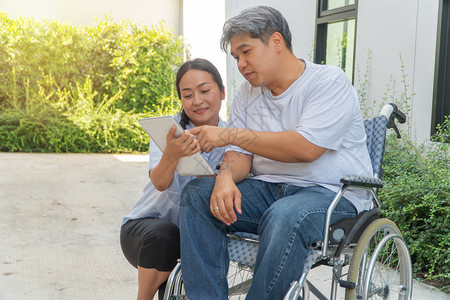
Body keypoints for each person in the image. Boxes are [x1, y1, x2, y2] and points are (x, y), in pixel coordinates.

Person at [178, 6, 373, 300]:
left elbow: (306, 148)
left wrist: (229, 134)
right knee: (197, 195)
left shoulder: (329, 82)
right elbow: (240, 154)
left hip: (331, 194)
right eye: (236, 57)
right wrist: (225, 178)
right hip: (268, 191)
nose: (241, 64)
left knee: (285, 215)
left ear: (277, 42)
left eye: (246, 52)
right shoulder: (247, 93)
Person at [120, 58, 227, 300]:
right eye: (187, 95)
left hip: (195, 235)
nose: (197, 101)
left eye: (205, 91)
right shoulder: (169, 131)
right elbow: (159, 182)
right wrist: (171, 154)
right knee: (165, 235)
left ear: (222, 92)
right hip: (146, 229)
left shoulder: (231, 136)